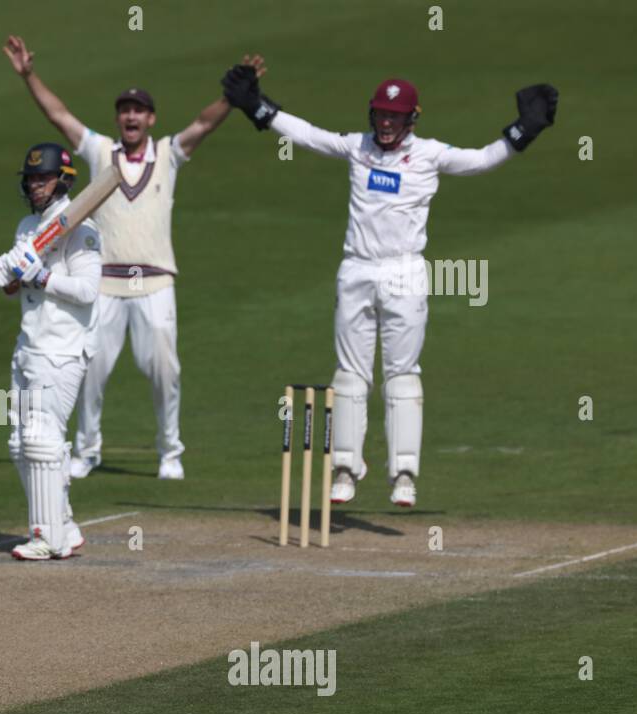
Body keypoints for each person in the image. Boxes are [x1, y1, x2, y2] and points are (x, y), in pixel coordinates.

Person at [223, 61, 557, 506]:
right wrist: (258, 107)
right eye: (380, 114)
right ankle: (345, 469)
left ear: (411, 119)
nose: (386, 123)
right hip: (357, 269)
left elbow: (480, 161)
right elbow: (307, 134)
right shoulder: (356, 148)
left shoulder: (429, 154)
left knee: (400, 377)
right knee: (349, 376)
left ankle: (403, 475)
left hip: (404, 272)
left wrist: (525, 130)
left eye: (394, 116)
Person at [3, 35, 256, 480]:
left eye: (138, 110)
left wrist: (230, 101)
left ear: (151, 118)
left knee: (163, 370)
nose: (131, 116)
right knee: (92, 369)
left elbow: (202, 125)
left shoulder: (168, 154)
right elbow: (59, 117)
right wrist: (29, 76)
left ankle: (170, 452)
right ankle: (87, 449)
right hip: (105, 282)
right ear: (119, 118)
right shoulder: (101, 152)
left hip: (156, 281)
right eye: (125, 110)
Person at [0, 142, 101, 559]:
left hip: (63, 351)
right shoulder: (27, 227)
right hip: (29, 345)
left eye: (43, 178)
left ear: (63, 180)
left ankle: (46, 537)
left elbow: (88, 291)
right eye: (31, 179)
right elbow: (15, 286)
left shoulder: (82, 228)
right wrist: (11, 276)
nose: (35, 185)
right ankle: (65, 526)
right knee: (20, 444)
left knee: (41, 440)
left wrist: (45, 276)